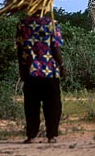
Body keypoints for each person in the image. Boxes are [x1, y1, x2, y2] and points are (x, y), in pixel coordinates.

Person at [16, 11, 66, 144]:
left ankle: (31, 135)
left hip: (30, 70)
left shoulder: (22, 24)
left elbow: (20, 49)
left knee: (31, 105)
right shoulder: (52, 24)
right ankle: (51, 135)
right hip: (50, 71)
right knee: (53, 105)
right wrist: (61, 66)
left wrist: (21, 68)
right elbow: (56, 48)